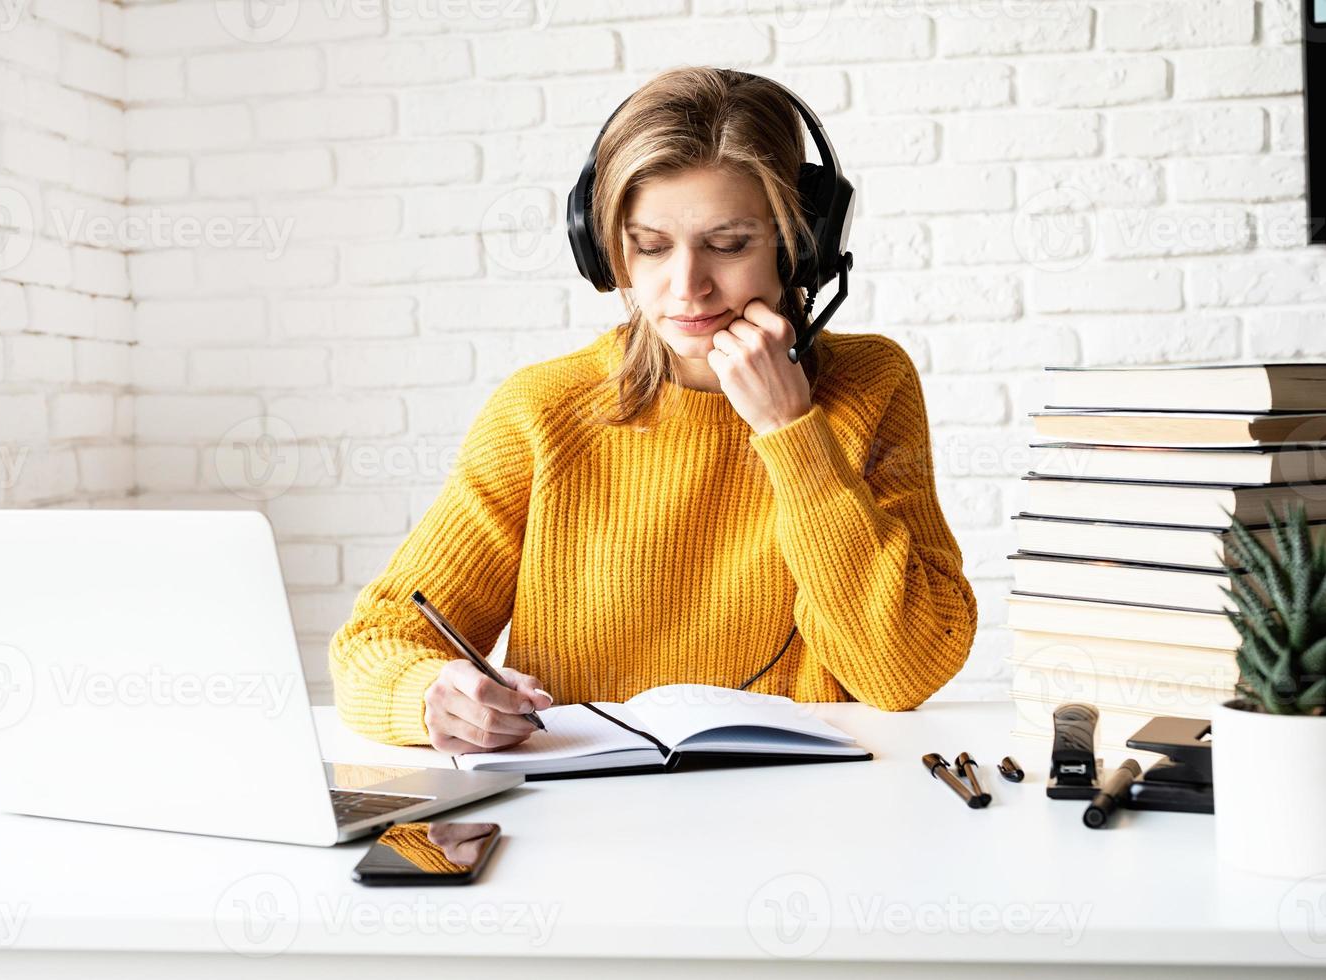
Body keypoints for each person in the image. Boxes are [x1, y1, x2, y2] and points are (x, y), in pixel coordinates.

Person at [330, 66, 978, 753]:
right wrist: (430, 696)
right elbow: (376, 643)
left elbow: (904, 670)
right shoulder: (542, 410)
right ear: (606, 247)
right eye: (650, 246)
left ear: (800, 246)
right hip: (594, 821)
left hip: (808, 815)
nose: (687, 287)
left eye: (729, 245)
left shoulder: (870, 384)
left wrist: (791, 434)